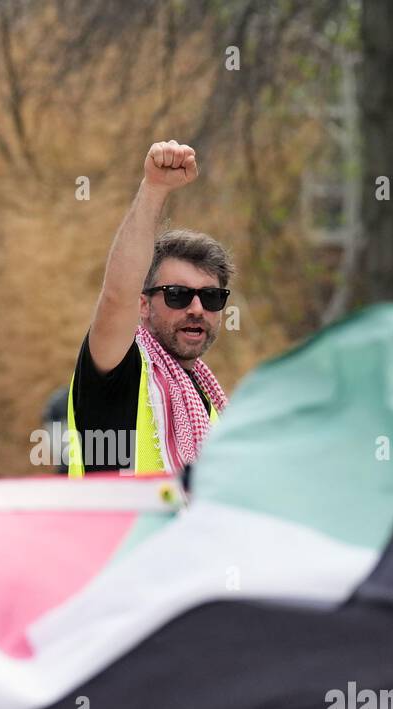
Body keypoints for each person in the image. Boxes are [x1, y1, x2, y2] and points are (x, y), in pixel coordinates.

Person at [68, 140, 233, 476]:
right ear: (143, 304)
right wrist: (154, 189)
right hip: (118, 530)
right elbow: (117, 295)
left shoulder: (212, 402)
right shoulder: (123, 370)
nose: (197, 308)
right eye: (177, 295)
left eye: (211, 297)